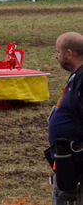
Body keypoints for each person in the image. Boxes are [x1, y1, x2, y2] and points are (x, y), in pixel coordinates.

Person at [47, 31, 83, 204]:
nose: (56, 56)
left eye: (58, 52)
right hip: (67, 160)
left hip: (77, 163)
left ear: (69, 54)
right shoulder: (78, 76)